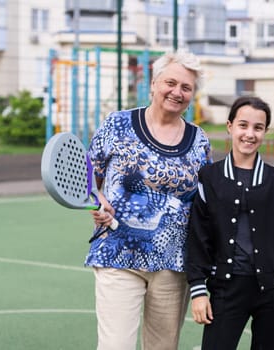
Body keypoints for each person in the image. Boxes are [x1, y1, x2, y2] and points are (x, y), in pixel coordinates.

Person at [85, 50, 212, 350]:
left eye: (186, 87)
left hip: (173, 265)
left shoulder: (200, 141)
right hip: (117, 255)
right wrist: (97, 202)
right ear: (154, 83)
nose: (176, 92)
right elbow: (88, 176)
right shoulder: (117, 124)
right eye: (171, 82)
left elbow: (205, 204)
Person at [186, 96, 274, 350]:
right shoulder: (209, 178)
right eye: (243, 125)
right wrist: (198, 289)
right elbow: (198, 237)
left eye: (258, 127)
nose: (249, 134)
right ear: (230, 126)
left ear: (265, 132)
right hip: (226, 287)